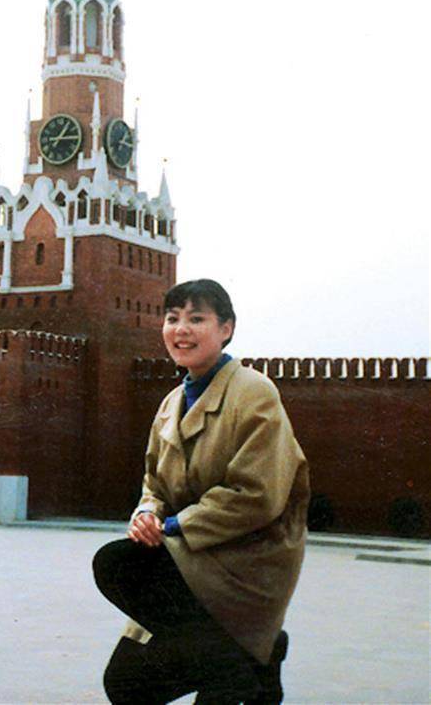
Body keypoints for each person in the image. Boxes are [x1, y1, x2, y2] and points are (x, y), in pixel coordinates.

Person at [93, 279, 310, 704]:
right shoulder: (171, 404)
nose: (181, 329)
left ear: (226, 328)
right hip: (190, 557)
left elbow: (256, 494)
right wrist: (146, 515)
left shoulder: (253, 392)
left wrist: (174, 526)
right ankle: (253, 656)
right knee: (124, 684)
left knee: (118, 564)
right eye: (172, 318)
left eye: (196, 319)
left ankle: (241, 657)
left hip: (245, 559)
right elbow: (154, 484)